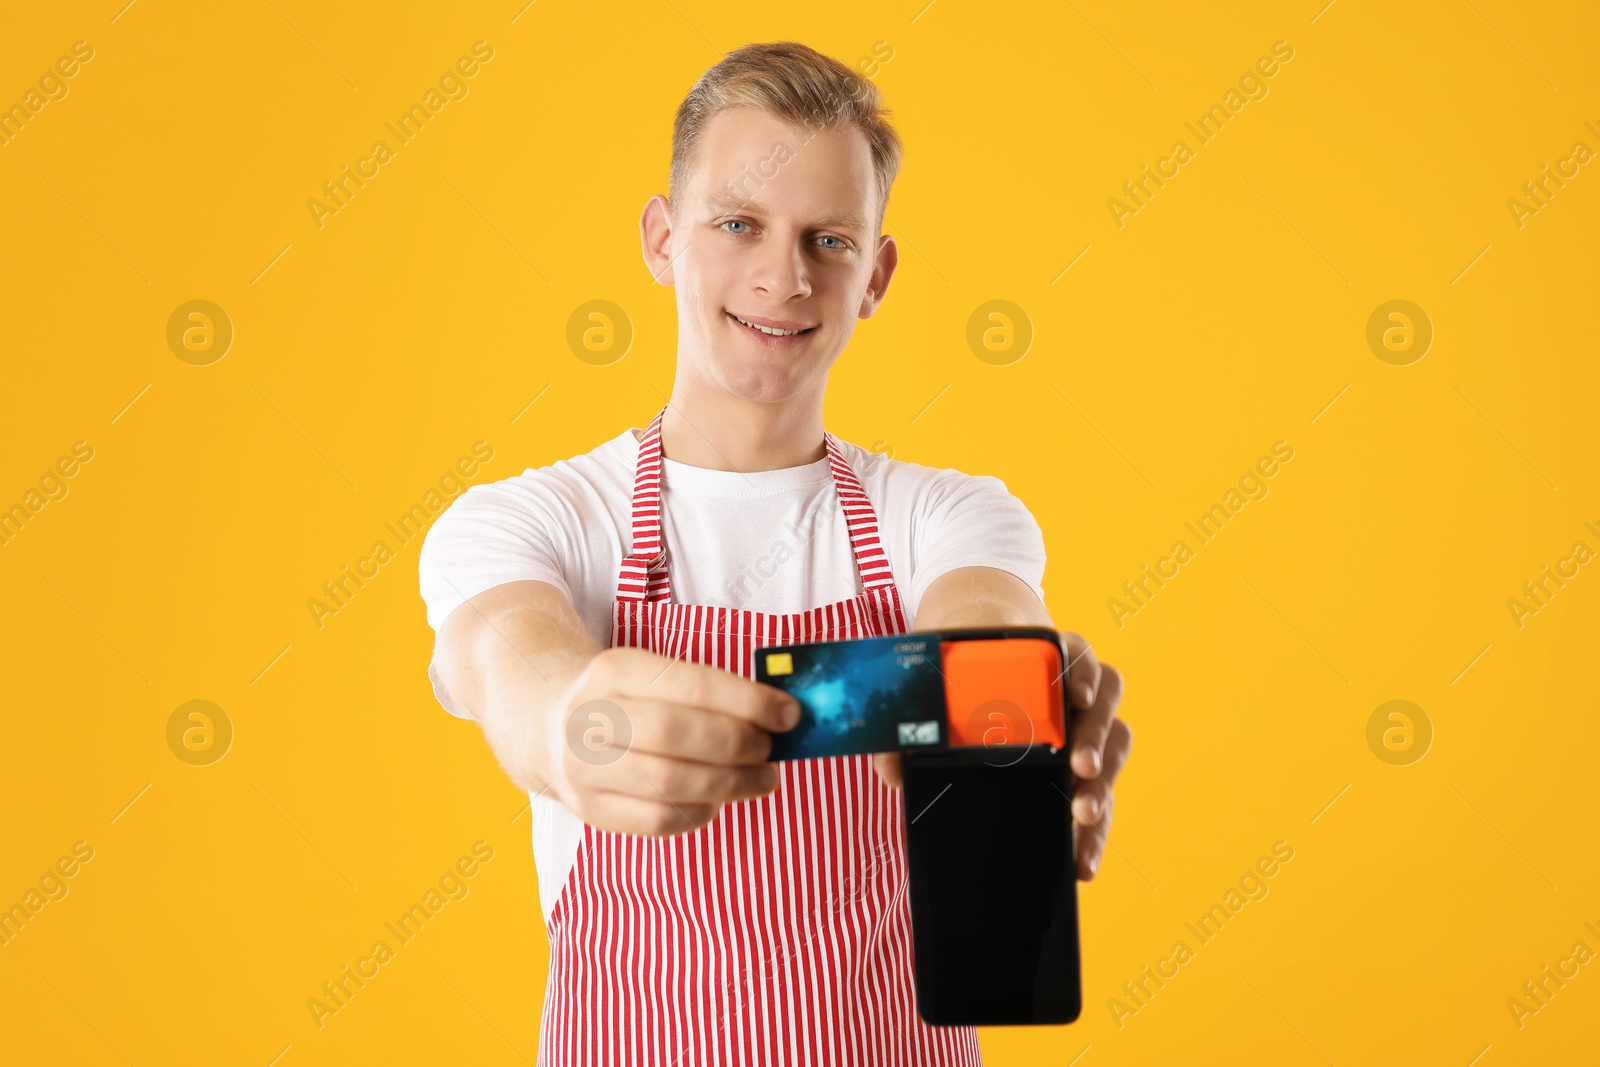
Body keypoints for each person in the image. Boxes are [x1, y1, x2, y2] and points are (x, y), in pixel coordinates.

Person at [418, 40, 1132, 1066]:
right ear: (663, 239)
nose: (781, 276)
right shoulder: (538, 519)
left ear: (875, 273)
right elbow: (507, 659)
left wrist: (1009, 730)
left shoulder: (946, 516)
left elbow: (984, 625)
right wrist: (572, 724)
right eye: (738, 224)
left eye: (828, 239)